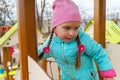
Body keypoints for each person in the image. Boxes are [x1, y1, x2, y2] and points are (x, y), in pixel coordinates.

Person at [38, 0, 116, 80]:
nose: (72, 33)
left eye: (76, 28)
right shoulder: (51, 43)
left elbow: (98, 52)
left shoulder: (83, 39)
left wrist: (107, 72)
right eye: (67, 28)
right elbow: (38, 53)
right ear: (55, 26)